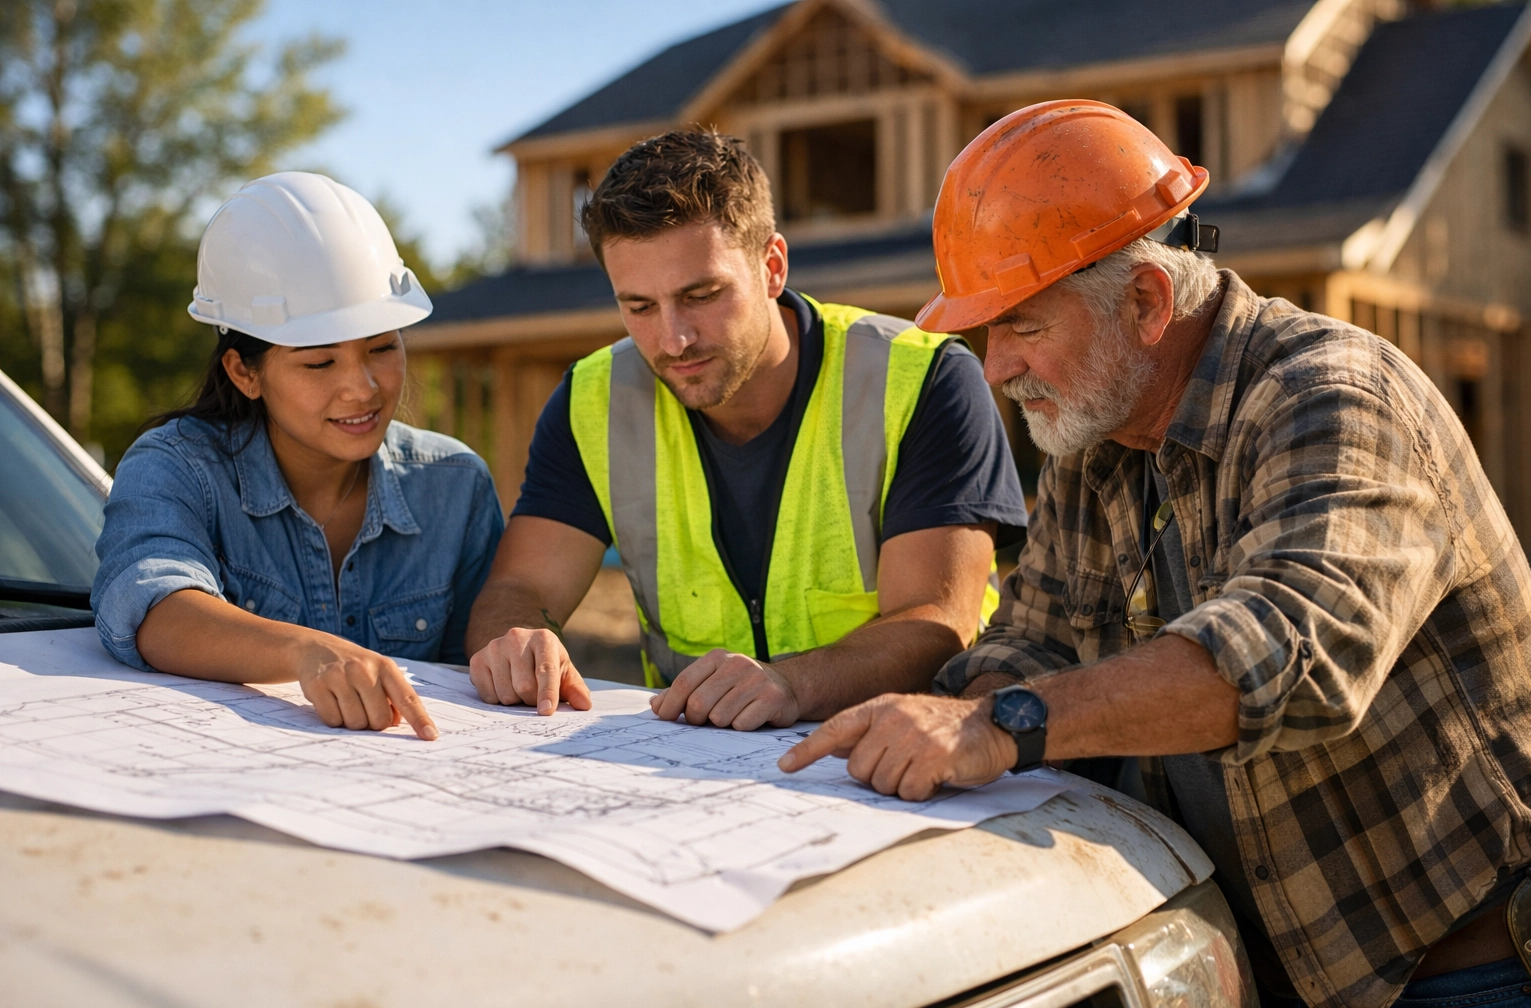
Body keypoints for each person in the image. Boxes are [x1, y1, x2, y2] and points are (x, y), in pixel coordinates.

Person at [780, 101, 1531, 1008]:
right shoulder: (1095, 440)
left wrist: (998, 727)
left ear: (1145, 301)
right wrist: (923, 720)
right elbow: (1031, 645)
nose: (994, 368)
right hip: (1254, 955)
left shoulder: (1332, 397)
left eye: (1022, 326)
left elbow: (1292, 655)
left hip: (1456, 974)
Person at [465, 129, 1027, 729]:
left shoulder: (921, 378)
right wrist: (516, 641)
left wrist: (791, 683)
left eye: (702, 294)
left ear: (772, 266)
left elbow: (937, 621)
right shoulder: (591, 400)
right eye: (639, 307)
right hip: (689, 765)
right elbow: (519, 587)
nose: (673, 339)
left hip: (895, 761)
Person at [92, 171, 505, 742]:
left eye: (383, 347)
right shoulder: (176, 467)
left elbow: (478, 674)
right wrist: (304, 652)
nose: (363, 388)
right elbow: (149, 608)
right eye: (319, 363)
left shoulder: (455, 486)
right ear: (244, 372)